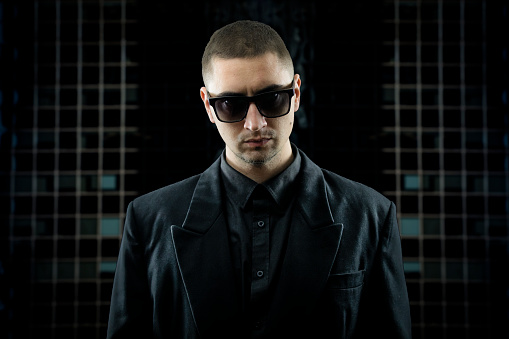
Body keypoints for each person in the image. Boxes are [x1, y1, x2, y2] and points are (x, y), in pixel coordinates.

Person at [106, 20, 411, 339]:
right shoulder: (148, 220)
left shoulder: (371, 216)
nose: (255, 123)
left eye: (271, 99)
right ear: (208, 106)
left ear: (295, 93)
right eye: (231, 104)